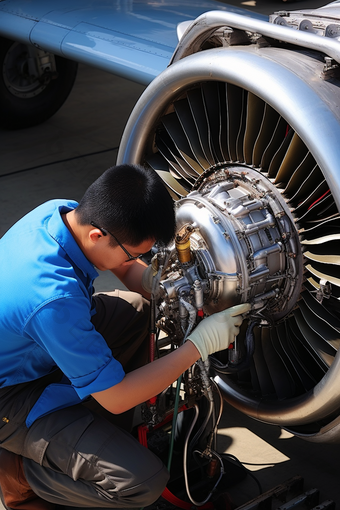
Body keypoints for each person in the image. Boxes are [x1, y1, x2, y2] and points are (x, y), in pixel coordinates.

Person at [0, 164, 249, 510]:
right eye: (134, 253)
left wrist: (161, 287)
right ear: (98, 236)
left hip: (34, 346)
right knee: (140, 483)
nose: (134, 261)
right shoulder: (54, 299)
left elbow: (123, 268)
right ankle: (24, 474)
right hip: (10, 396)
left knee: (135, 310)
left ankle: (94, 433)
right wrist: (198, 346)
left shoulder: (63, 214)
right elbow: (116, 398)